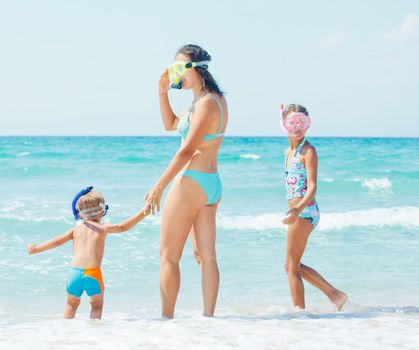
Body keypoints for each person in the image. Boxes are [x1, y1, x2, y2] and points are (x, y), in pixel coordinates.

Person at [144, 44, 228, 318]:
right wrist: (162, 93)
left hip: (191, 182)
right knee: (205, 256)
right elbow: (170, 124)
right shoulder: (205, 101)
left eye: (179, 67)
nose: (174, 73)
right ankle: (208, 320)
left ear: (196, 69)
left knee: (169, 257)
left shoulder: (207, 104)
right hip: (210, 184)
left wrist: (159, 185)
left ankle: (165, 320)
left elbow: (187, 150)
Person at [28, 186, 149, 319]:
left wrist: (36, 249)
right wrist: (143, 213)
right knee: (96, 306)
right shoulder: (102, 228)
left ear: (79, 214)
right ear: (102, 212)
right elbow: (122, 227)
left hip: (74, 273)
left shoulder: (75, 230)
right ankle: (94, 333)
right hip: (92, 273)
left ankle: (65, 332)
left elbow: (57, 241)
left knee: (71, 305)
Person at [281, 104, 348, 311]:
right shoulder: (288, 152)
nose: (297, 127)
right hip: (299, 212)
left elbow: (312, 188)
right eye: (292, 122)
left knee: (291, 267)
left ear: (308, 124)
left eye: (302, 122)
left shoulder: (308, 151)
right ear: (283, 125)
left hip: (305, 210)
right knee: (294, 265)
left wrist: (297, 210)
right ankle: (335, 295)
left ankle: (299, 314)